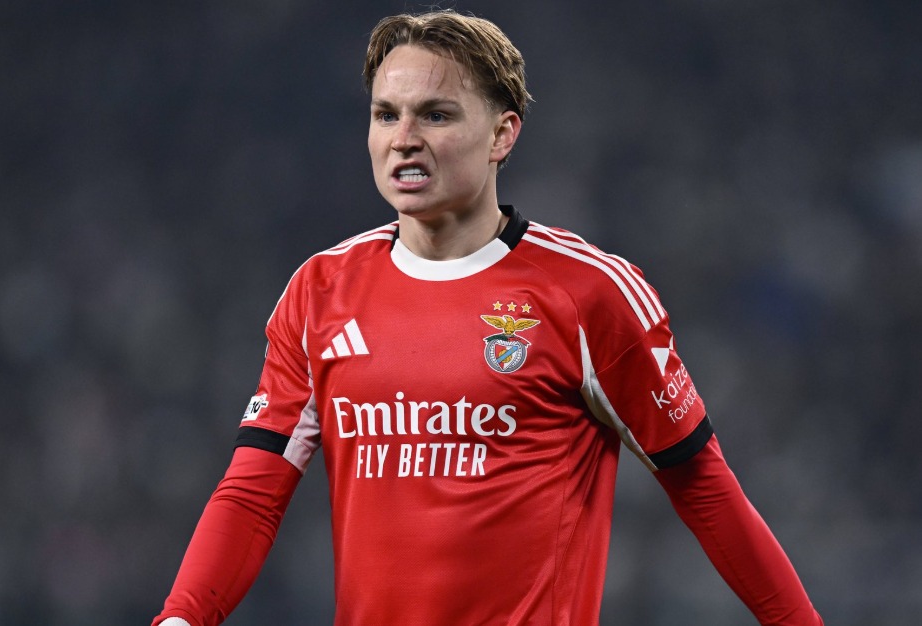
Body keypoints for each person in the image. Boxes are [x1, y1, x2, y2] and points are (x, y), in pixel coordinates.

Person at [152, 10, 823, 626]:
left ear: (503, 133)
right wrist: (181, 618)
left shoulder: (590, 294)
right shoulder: (319, 291)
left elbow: (702, 487)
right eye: (385, 115)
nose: (404, 140)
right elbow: (253, 492)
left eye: (435, 115)